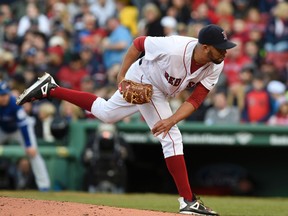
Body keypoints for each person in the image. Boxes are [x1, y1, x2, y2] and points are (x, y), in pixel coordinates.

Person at [16, 24, 236, 215]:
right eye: (221, 48)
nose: (225, 53)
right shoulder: (174, 47)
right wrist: (121, 77)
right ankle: (188, 201)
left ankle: (50, 89)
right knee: (171, 138)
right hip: (143, 78)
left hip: (160, 89)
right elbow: (138, 43)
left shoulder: (216, 64)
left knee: (106, 114)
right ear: (205, 47)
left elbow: (196, 99)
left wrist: (172, 119)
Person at [0, 80, 50, 191]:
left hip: (19, 130)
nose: (4, 97)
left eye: (5, 94)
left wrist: (28, 144)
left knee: (33, 153)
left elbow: (23, 125)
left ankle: (44, 186)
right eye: (1, 95)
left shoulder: (15, 103)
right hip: (3, 130)